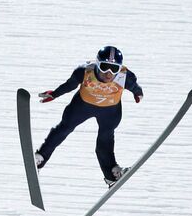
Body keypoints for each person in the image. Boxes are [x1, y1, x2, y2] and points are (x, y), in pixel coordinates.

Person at [35, 45, 143, 186]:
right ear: (97, 64)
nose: (109, 73)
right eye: (104, 67)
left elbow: (135, 87)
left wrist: (138, 94)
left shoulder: (124, 76)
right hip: (82, 106)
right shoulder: (85, 71)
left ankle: (111, 173)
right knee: (64, 128)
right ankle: (41, 157)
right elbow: (69, 85)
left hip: (110, 111)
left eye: (114, 68)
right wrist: (54, 94)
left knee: (105, 139)